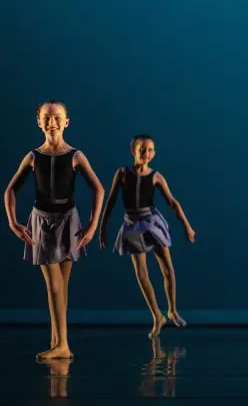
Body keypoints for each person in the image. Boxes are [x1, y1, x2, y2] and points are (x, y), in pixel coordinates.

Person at [4, 101, 105, 359]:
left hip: (68, 221)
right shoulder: (33, 156)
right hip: (42, 222)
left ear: (66, 121)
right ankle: (59, 342)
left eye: (57, 117)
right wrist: (13, 222)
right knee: (54, 285)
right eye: (46, 118)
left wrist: (93, 226)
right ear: (38, 121)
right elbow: (10, 190)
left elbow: (98, 188)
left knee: (62, 286)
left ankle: (61, 343)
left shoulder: (75, 156)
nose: (52, 122)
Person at [99, 134, 197, 338]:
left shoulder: (156, 176)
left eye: (151, 149)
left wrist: (187, 226)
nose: (146, 153)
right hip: (132, 224)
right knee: (141, 273)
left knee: (167, 269)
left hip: (151, 222)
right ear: (132, 150)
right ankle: (157, 316)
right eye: (142, 149)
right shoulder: (122, 173)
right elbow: (111, 201)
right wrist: (102, 228)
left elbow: (172, 202)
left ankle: (172, 310)